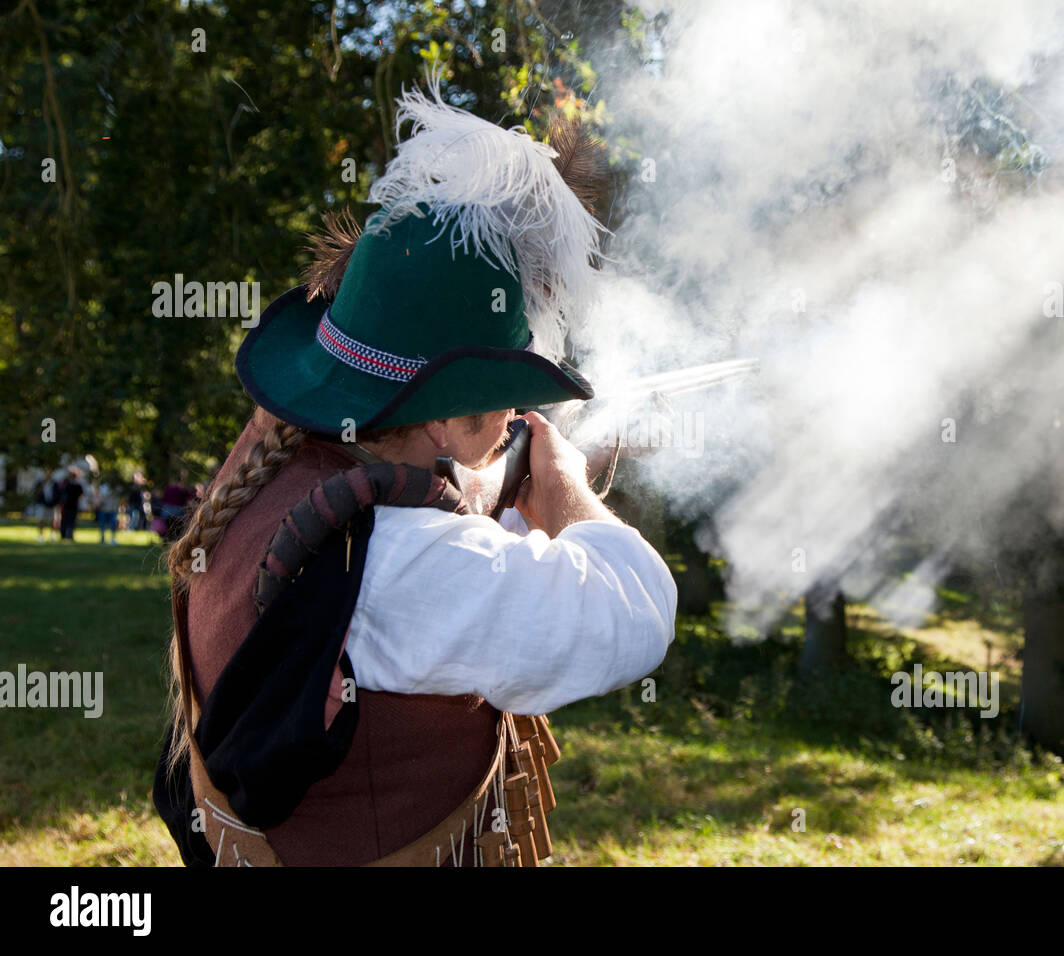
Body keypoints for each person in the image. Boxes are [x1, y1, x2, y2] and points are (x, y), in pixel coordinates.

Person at [153, 82, 676, 867]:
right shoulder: (400, 561)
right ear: (444, 414)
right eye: (505, 391)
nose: (513, 412)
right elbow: (637, 610)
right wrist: (563, 483)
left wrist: (530, 477)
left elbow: (440, 534)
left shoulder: (285, 459)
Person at [32, 469, 60, 542]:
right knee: (41, 520)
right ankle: (41, 536)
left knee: (54, 520)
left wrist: (54, 502)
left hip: (52, 504)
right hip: (42, 504)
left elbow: (58, 494)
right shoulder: (40, 483)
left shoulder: (55, 484)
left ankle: (53, 535)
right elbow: (36, 493)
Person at [59, 467, 84, 541]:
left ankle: (69, 535)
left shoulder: (76, 485)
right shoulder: (66, 483)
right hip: (66, 505)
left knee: (71, 521)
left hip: (73, 505)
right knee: (65, 521)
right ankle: (64, 535)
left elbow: (80, 494)